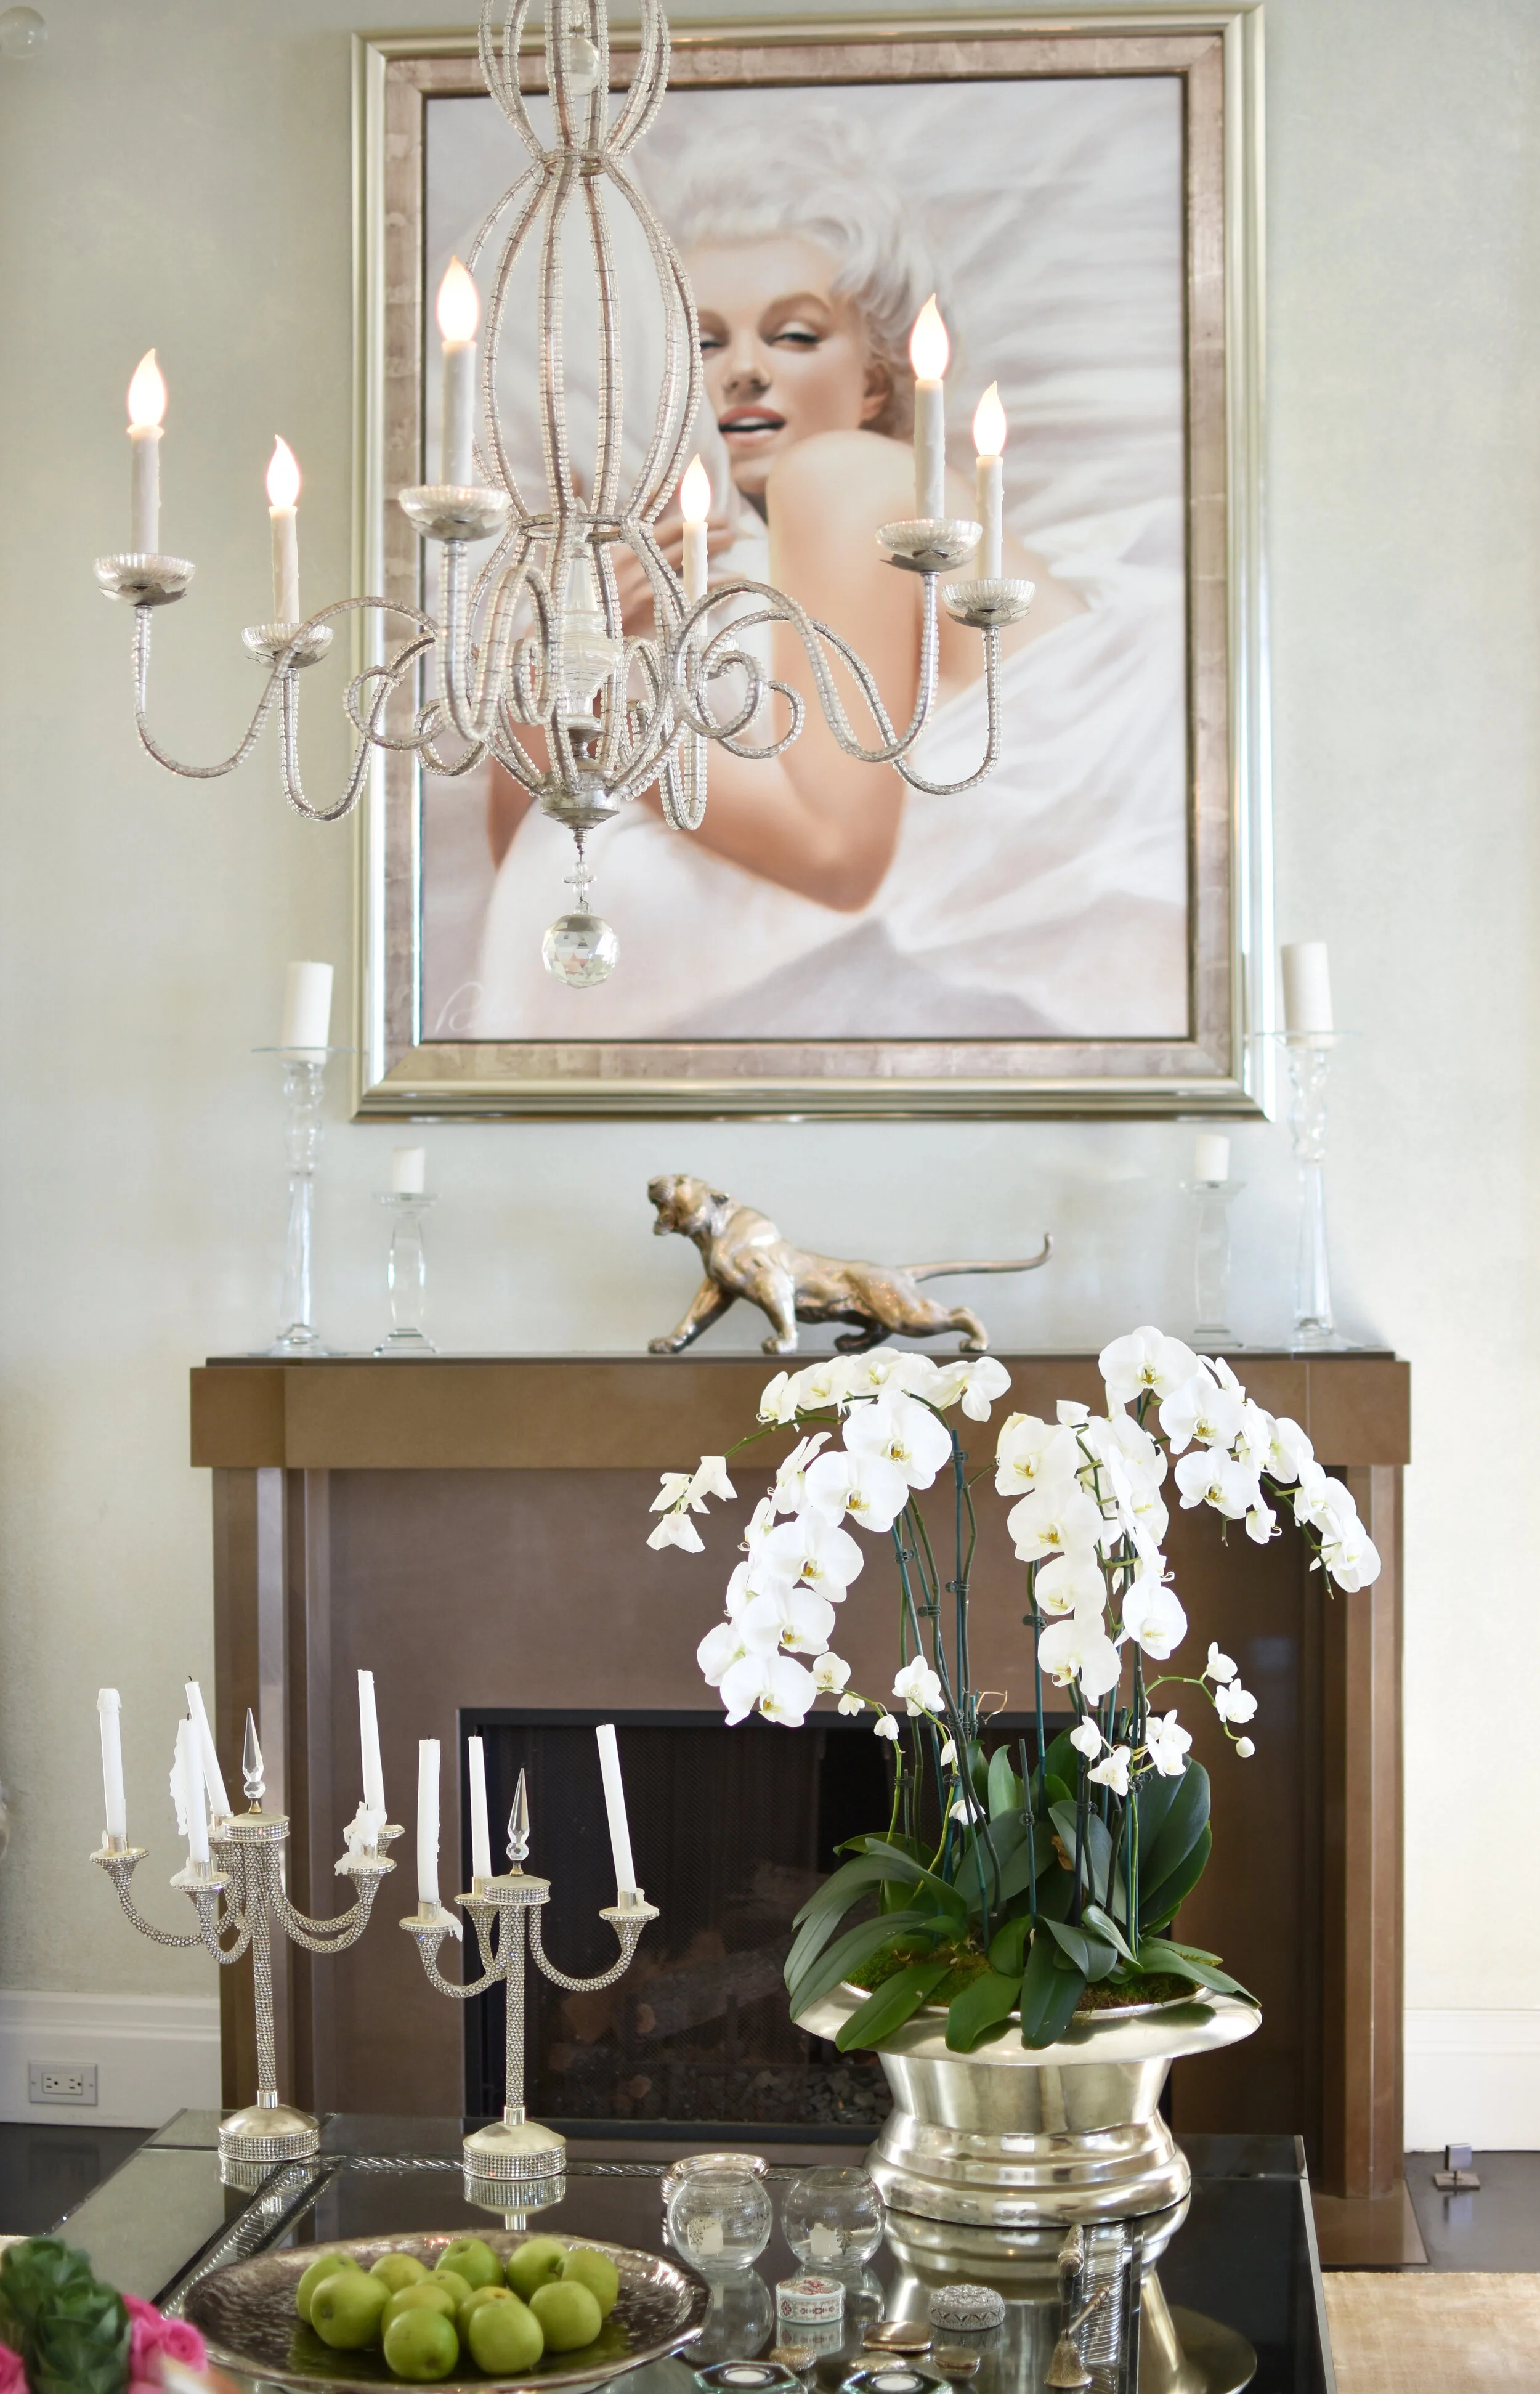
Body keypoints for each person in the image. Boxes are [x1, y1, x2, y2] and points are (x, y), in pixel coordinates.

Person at [471, 115, 1187, 1041]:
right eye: (705, 343)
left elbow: (836, 853)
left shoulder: (846, 480)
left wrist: (592, 695)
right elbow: (539, 851)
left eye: (797, 335)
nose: (745, 374)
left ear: (877, 383)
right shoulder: (722, 578)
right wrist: (559, 675)